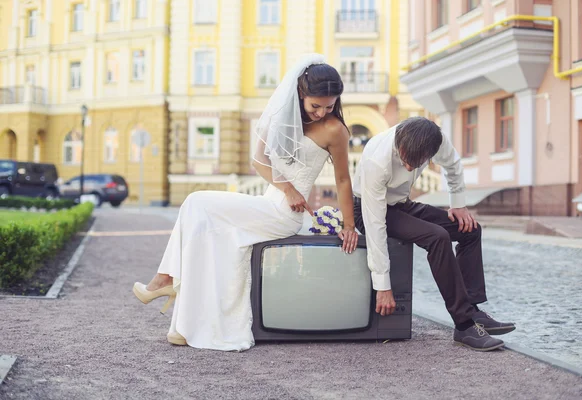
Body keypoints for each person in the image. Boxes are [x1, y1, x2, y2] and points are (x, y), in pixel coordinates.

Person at [132, 54, 359, 351]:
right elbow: (258, 161)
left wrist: (349, 225)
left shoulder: (335, 130)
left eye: (329, 106)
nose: (322, 112)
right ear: (300, 95)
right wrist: (287, 187)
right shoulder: (281, 116)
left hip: (284, 215)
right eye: (315, 105)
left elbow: (343, 180)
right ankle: (184, 324)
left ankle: (165, 280)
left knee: (196, 202)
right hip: (272, 202)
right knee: (201, 221)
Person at [353, 117, 515, 351]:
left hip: (401, 204)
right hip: (368, 210)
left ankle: (472, 310)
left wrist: (458, 204)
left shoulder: (435, 140)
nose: (409, 168)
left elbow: (453, 164)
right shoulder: (377, 161)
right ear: (399, 144)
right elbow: (375, 224)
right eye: (405, 161)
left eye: (416, 164)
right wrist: (383, 286)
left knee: (469, 230)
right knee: (437, 236)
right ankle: (464, 324)